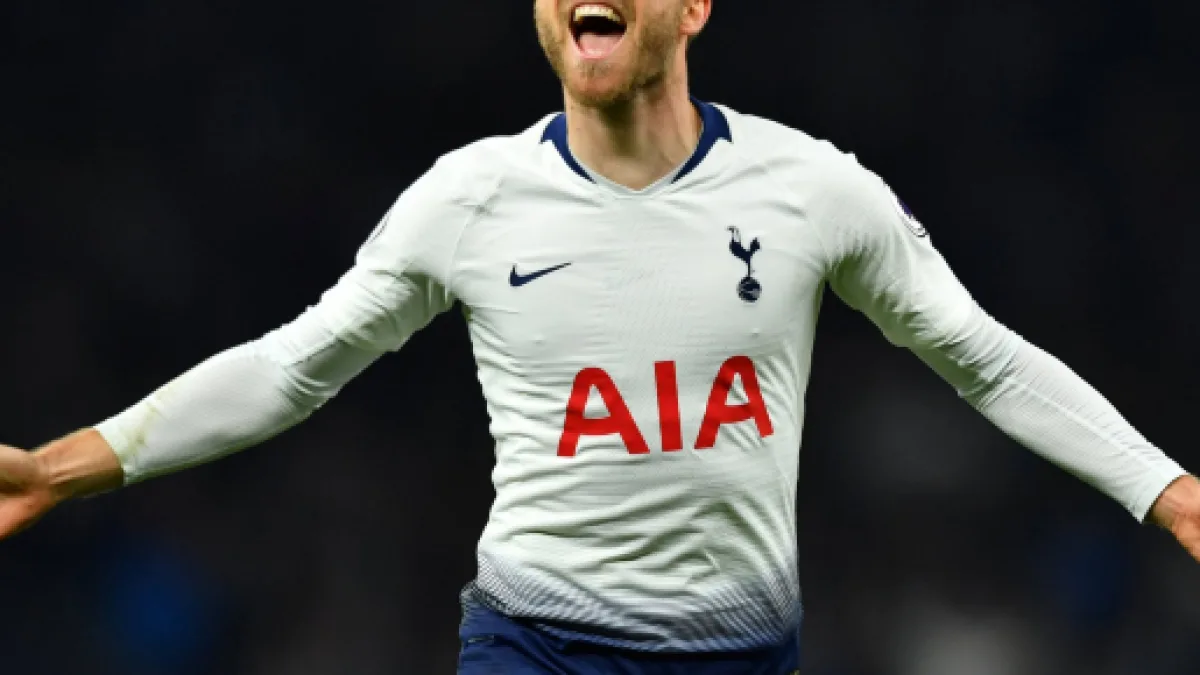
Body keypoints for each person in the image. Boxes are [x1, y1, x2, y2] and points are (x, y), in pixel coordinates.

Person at [2, 1, 1197, 673]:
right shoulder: (469, 200)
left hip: (740, 655)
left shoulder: (814, 192)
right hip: (534, 645)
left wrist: (1173, 494)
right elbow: (292, 367)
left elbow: (985, 359)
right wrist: (59, 469)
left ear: (693, 9)